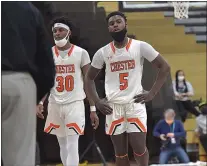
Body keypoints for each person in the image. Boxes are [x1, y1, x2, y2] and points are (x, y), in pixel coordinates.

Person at [85, 11, 170, 166]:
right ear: (108, 28)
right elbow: (89, 78)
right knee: (120, 153)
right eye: (111, 23)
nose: (115, 25)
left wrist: (152, 93)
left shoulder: (140, 46)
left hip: (134, 104)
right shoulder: (103, 52)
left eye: (118, 21)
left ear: (125, 24)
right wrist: (97, 101)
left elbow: (164, 67)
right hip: (113, 106)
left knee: (139, 148)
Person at [37, 16, 99, 166]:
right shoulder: (48, 53)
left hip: (74, 103)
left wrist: (92, 108)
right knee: (62, 144)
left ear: (69, 32)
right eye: (55, 31)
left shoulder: (81, 53)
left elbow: (88, 81)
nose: (57, 33)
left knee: (72, 143)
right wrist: (40, 101)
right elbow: (47, 80)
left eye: (61, 30)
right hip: (55, 103)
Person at [2, 2, 56, 166]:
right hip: (20, 82)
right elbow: (47, 64)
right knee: (20, 159)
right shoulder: (28, 9)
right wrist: (36, 97)